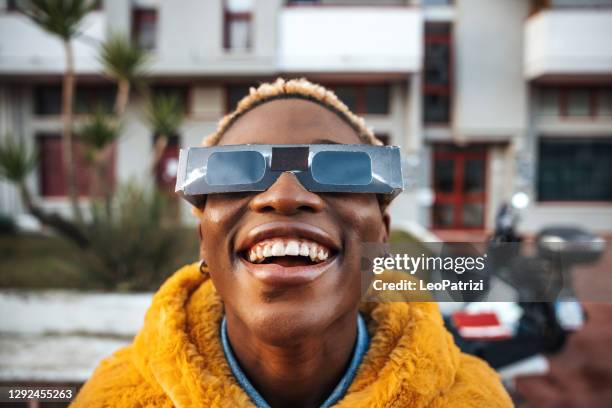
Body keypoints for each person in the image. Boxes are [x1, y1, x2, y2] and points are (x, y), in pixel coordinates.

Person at [72, 78, 513, 407]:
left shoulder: (474, 397)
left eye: (339, 169)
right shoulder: (112, 397)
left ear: (380, 235)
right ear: (204, 242)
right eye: (239, 170)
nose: (284, 196)